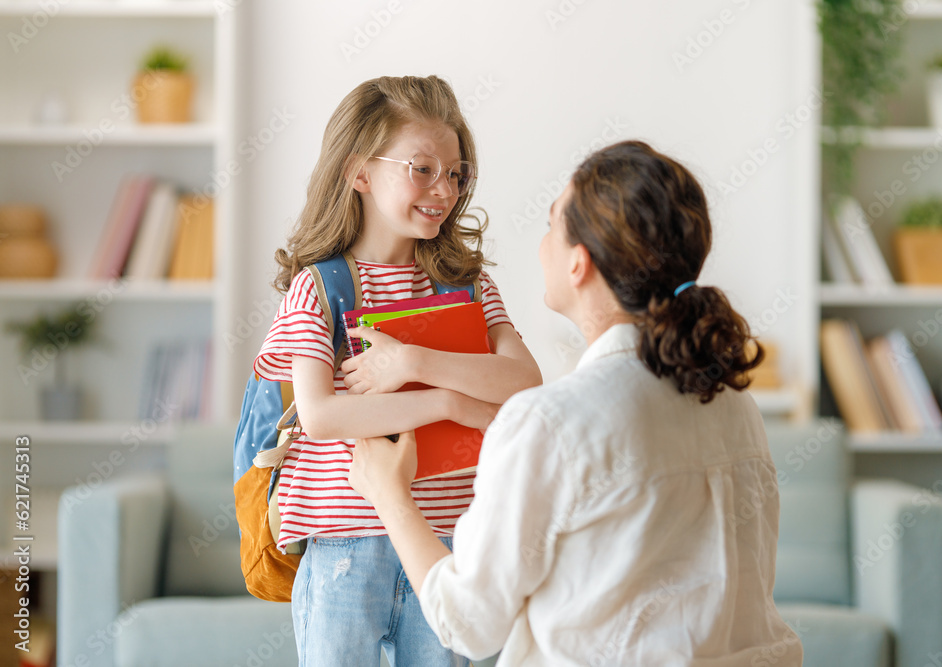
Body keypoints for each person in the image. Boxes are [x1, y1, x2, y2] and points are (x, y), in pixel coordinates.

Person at [349, 140, 805, 666]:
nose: (542, 245)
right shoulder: (732, 404)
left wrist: (390, 496)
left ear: (578, 264)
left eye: (551, 226)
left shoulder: (551, 422)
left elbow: (467, 623)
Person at [253, 75, 542, 667]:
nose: (445, 188)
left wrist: (411, 362)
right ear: (359, 172)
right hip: (342, 544)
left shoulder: (468, 287)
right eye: (423, 168)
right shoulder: (319, 288)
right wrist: (447, 401)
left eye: (456, 173)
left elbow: (523, 381)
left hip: (447, 543)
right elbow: (324, 414)